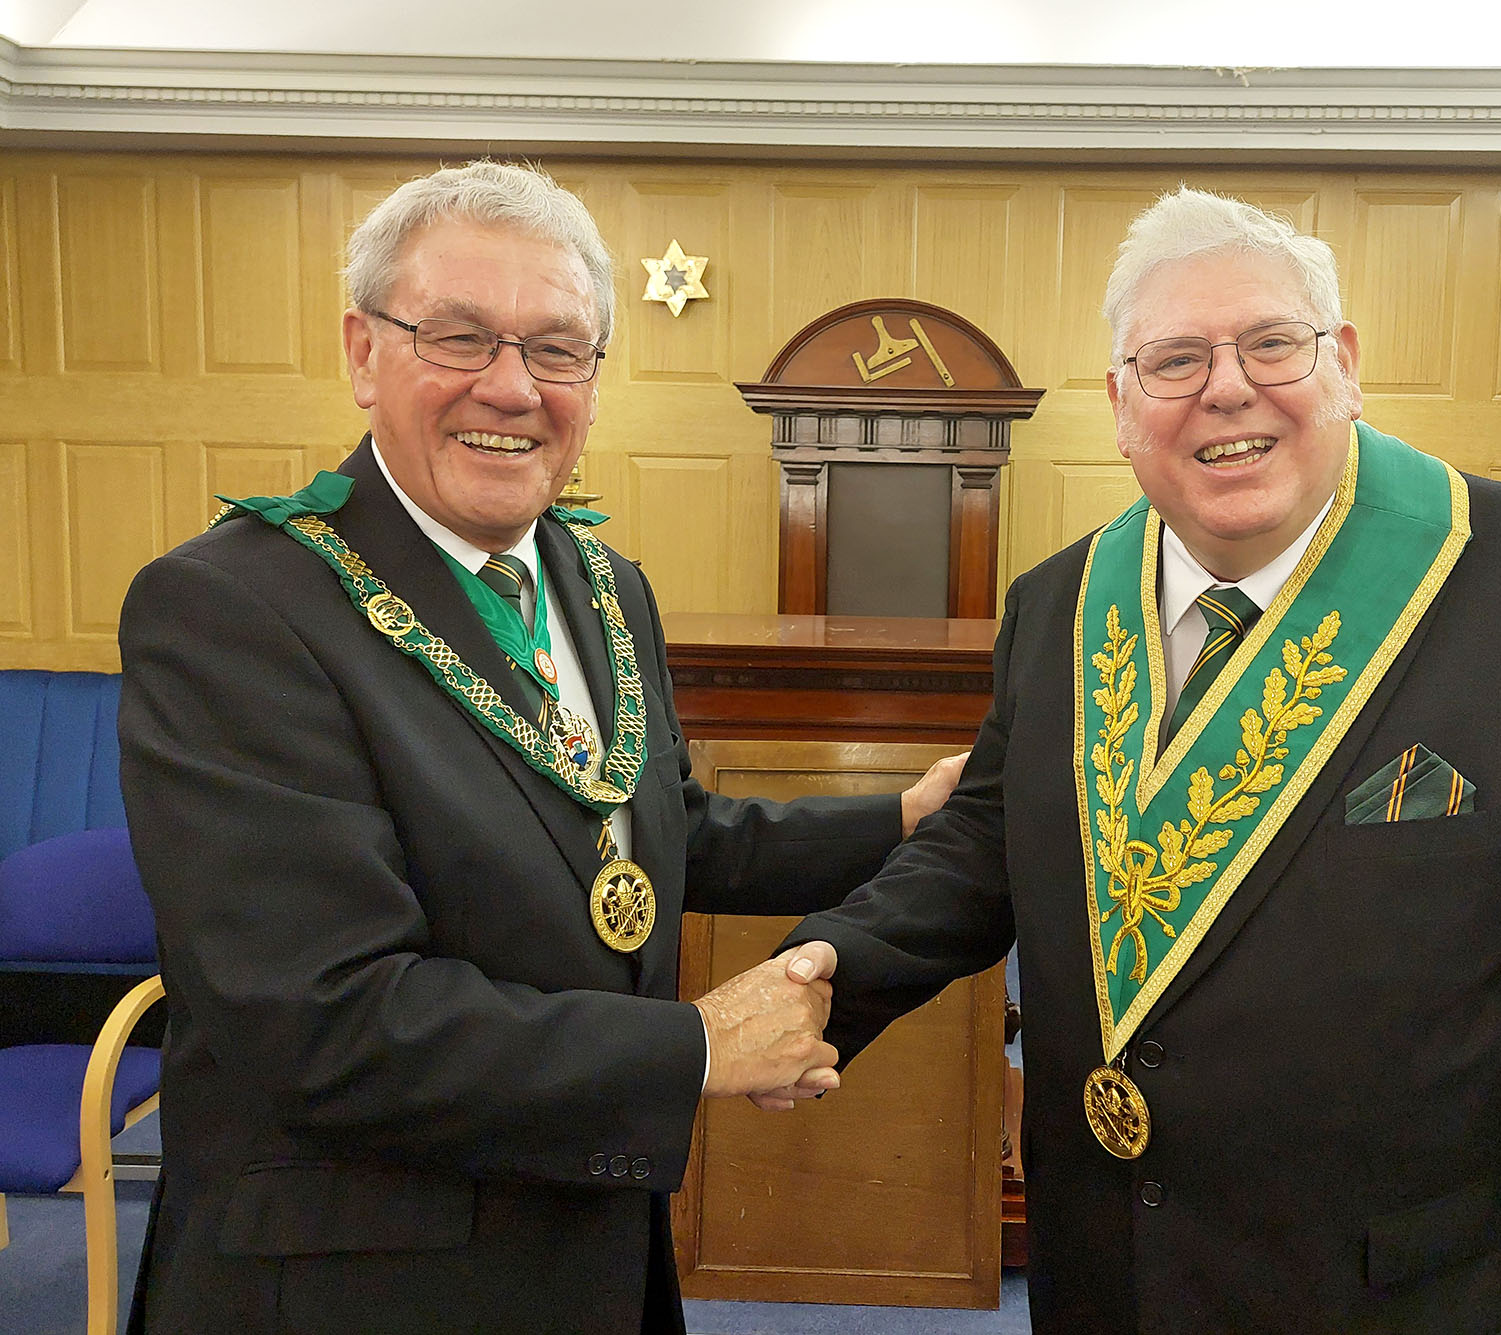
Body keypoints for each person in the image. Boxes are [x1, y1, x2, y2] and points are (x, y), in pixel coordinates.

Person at [781, 187, 1501, 1334]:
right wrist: (819, 979)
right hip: (1109, 1272)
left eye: (1271, 344)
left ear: (1345, 364)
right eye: (1175, 359)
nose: (1227, 388)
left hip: (1396, 1297)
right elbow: (987, 844)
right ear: (1120, 404)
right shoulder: (1059, 604)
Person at [116, 160, 961, 1335]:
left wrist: (900, 820)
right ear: (364, 353)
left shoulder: (601, 581)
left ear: (594, 380)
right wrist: (691, 1048)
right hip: (358, 1281)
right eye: (459, 337)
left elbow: (650, 830)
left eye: (557, 350)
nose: (512, 387)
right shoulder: (234, 609)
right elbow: (325, 1020)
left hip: (589, 1243)